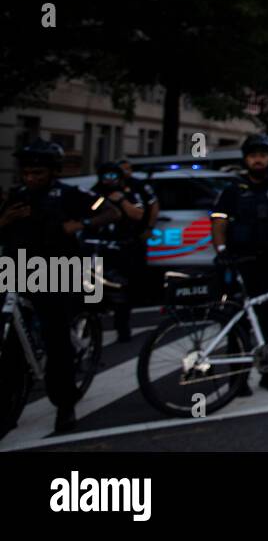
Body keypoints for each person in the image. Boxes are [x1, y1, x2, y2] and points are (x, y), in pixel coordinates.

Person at [0, 141, 117, 433]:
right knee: (11, 343)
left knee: (57, 343)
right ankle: (10, 402)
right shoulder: (16, 196)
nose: (31, 178)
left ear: (52, 172)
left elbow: (110, 212)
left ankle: (65, 405)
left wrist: (78, 224)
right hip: (16, 269)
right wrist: (5, 219)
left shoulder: (69, 194)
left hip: (56, 272)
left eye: (37, 172)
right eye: (26, 172)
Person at [210, 133, 268, 392]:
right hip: (240, 264)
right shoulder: (232, 190)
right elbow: (218, 221)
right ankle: (237, 379)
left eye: (263, 155)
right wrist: (221, 250)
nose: (258, 160)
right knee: (237, 323)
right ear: (246, 159)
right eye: (253, 156)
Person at [90, 161, 148, 343]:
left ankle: (122, 328)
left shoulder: (129, 192)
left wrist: (121, 200)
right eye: (105, 177)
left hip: (123, 246)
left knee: (122, 292)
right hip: (97, 246)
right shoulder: (93, 192)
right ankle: (91, 328)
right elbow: (86, 214)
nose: (109, 180)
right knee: (92, 290)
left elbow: (138, 214)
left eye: (113, 176)